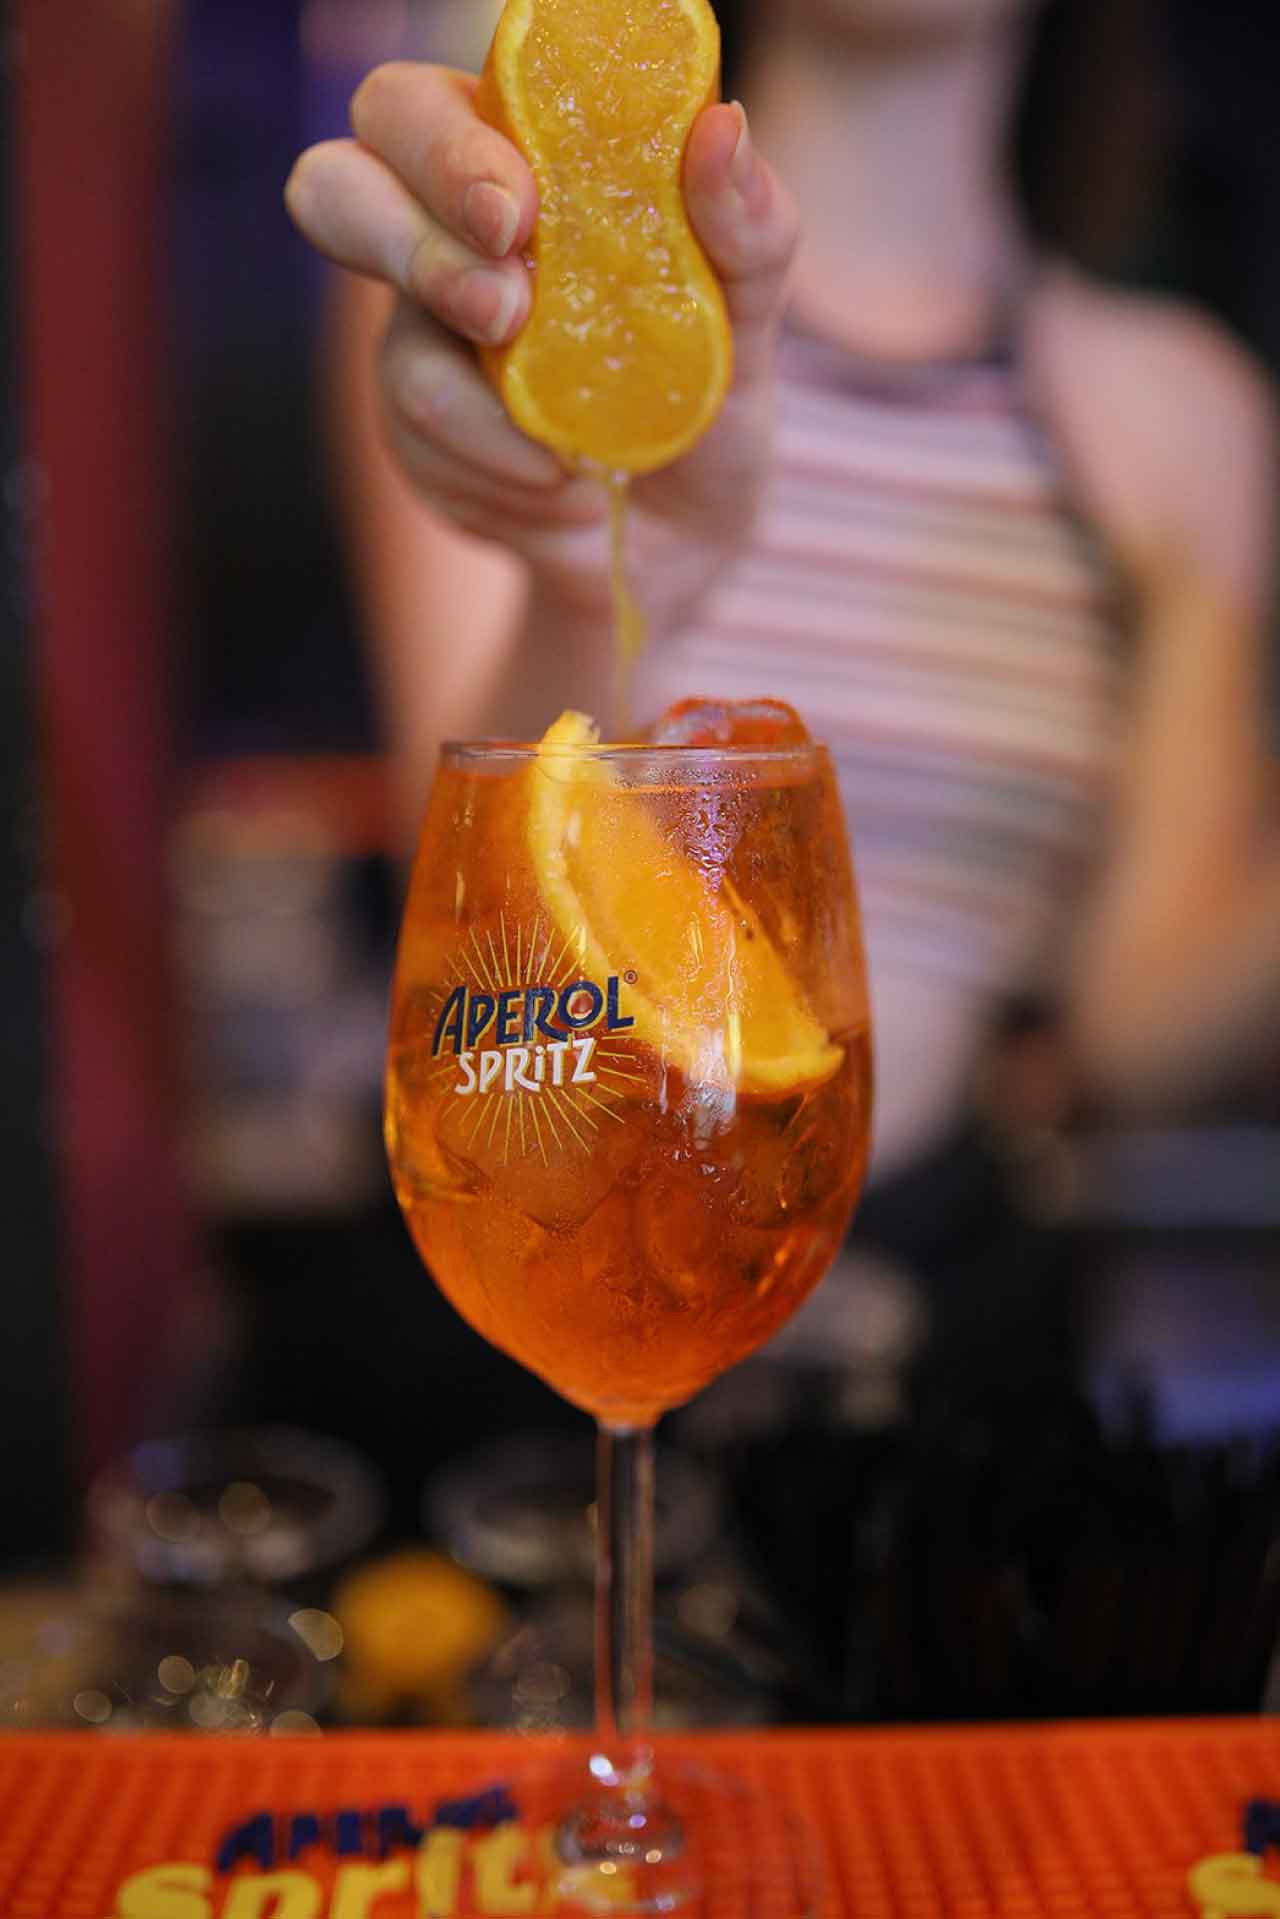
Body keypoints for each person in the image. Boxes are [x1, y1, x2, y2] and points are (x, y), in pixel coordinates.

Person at [284, 0, 1279, 1237]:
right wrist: (589, 582)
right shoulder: (524, 295)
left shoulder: (1184, 420)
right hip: (550, 1231)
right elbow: (494, 971)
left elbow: (1136, 1026)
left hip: (931, 1303)